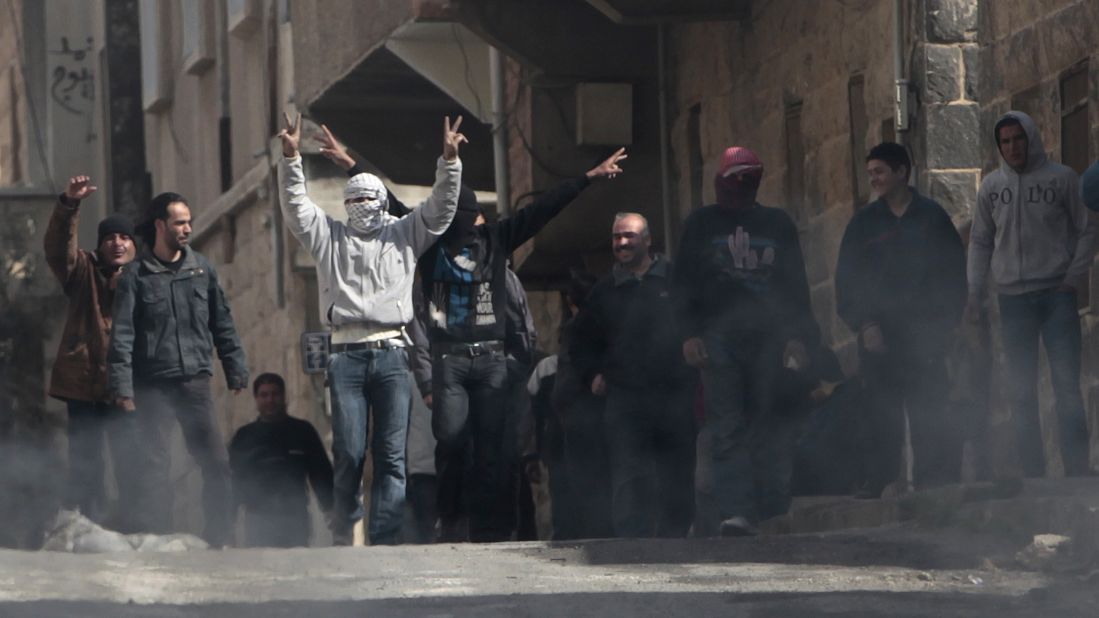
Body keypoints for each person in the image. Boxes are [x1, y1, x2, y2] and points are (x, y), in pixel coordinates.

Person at [419, 149, 625, 543]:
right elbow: (393, 212)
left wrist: (588, 177)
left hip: (491, 358)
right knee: (452, 438)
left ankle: (488, 529)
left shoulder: (495, 241)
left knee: (492, 449)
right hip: (450, 358)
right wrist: (354, 167)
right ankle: (449, 517)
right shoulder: (430, 245)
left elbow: (543, 210)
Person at [276, 113, 465, 545]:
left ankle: (384, 536)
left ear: (382, 204)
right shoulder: (327, 237)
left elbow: (441, 207)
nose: (361, 209)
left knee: (391, 455)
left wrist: (449, 162)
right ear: (345, 205)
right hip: (344, 355)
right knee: (348, 451)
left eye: (369, 201)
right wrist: (290, 158)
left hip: (394, 355)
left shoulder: (405, 234)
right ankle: (347, 521)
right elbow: (295, 206)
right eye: (353, 201)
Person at [673, 146, 820, 537]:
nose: (740, 185)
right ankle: (737, 510)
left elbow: (794, 286)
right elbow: (683, 285)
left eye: (747, 177)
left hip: (769, 339)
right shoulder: (701, 224)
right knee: (727, 425)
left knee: (767, 419)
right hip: (718, 337)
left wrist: (798, 338)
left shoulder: (777, 224)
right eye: (734, 177)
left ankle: (769, 507)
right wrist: (688, 334)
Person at [107, 191, 249, 546]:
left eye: (188, 221)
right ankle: (160, 540)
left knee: (216, 463)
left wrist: (235, 368)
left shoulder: (201, 269)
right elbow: (122, 335)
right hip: (152, 386)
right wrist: (123, 388)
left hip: (194, 384)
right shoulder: (136, 277)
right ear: (160, 225)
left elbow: (223, 323)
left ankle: (220, 538)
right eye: (179, 222)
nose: (187, 228)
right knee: (155, 469)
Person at [966, 111, 1097, 478]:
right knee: (1021, 391)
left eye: (1018, 139)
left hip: (1056, 295)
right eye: (1005, 142)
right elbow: (980, 241)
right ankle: (1033, 475)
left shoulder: (1062, 180)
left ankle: (1077, 469)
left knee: (1066, 386)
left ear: (1032, 137)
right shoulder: (991, 188)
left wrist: (1073, 276)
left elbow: (1087, 229)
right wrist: (974, 291)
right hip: (1012, 301)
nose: (1012, 147)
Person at [835, 142, 967, 495]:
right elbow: (846, 281)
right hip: (880, 337)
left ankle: (933, 484)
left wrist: (948, 323)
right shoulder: (863, 224)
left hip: (924, 335)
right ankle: (879, 480)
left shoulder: (931, 217)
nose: (874, 179)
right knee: (880, 414)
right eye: (870, 173)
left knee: (930, 410)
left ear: (901, 172)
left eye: (879, 171)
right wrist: (864, 324)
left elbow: (953, 273)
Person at [572, 213, 695, 537]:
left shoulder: (674, 280)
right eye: (616, 237)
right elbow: (580, 341)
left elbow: (697, 320)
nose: (622, 243)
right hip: (625, 397)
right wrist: (592, 374)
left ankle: (676, 538)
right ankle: (631, 547)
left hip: (673, 394)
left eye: (629, 236)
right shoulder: (604, 291)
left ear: (648, 240)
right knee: (629, 474)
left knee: (677, 469)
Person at [43, 175, 138, 526]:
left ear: (134, 244)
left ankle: (134, 526)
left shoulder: (143, 279)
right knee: (86, 462)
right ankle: (84, 528)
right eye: (110, 237)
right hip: (84, 386)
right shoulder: (83, 271)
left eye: (125, 237)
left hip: (126, 390)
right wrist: (69, 205)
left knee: (131, 463)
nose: (117, 242)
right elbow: (57, 249)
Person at [228, 373, 333, 548]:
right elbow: (234, 479)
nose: (270, 400)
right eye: (264, 395)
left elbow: (321, 472)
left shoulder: (302, 431)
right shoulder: (244, 436)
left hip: (295, 519)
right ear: (256, 399)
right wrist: (228, 521)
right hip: (258, 520)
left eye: (275, 394)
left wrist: (331, 508)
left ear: (283, 396)